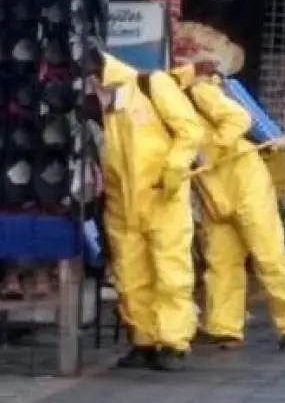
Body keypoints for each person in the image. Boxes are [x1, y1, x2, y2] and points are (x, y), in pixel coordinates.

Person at [174, 61, 285, 350]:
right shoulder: (178, 98)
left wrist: (211, 149)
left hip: (243, 182)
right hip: (216, 189)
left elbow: (238, 119)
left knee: (268, 253)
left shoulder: (199, 92)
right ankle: (223, 326)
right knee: (221, 259)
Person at [90, 50, 208, 371]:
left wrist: (174, 166)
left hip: (161, 198)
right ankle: (143, 339)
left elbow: (189, 129)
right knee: (130, 276)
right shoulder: (105, 101)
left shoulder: (150, 84)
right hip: (123, 205)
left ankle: (172, 342)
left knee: (170, 272)